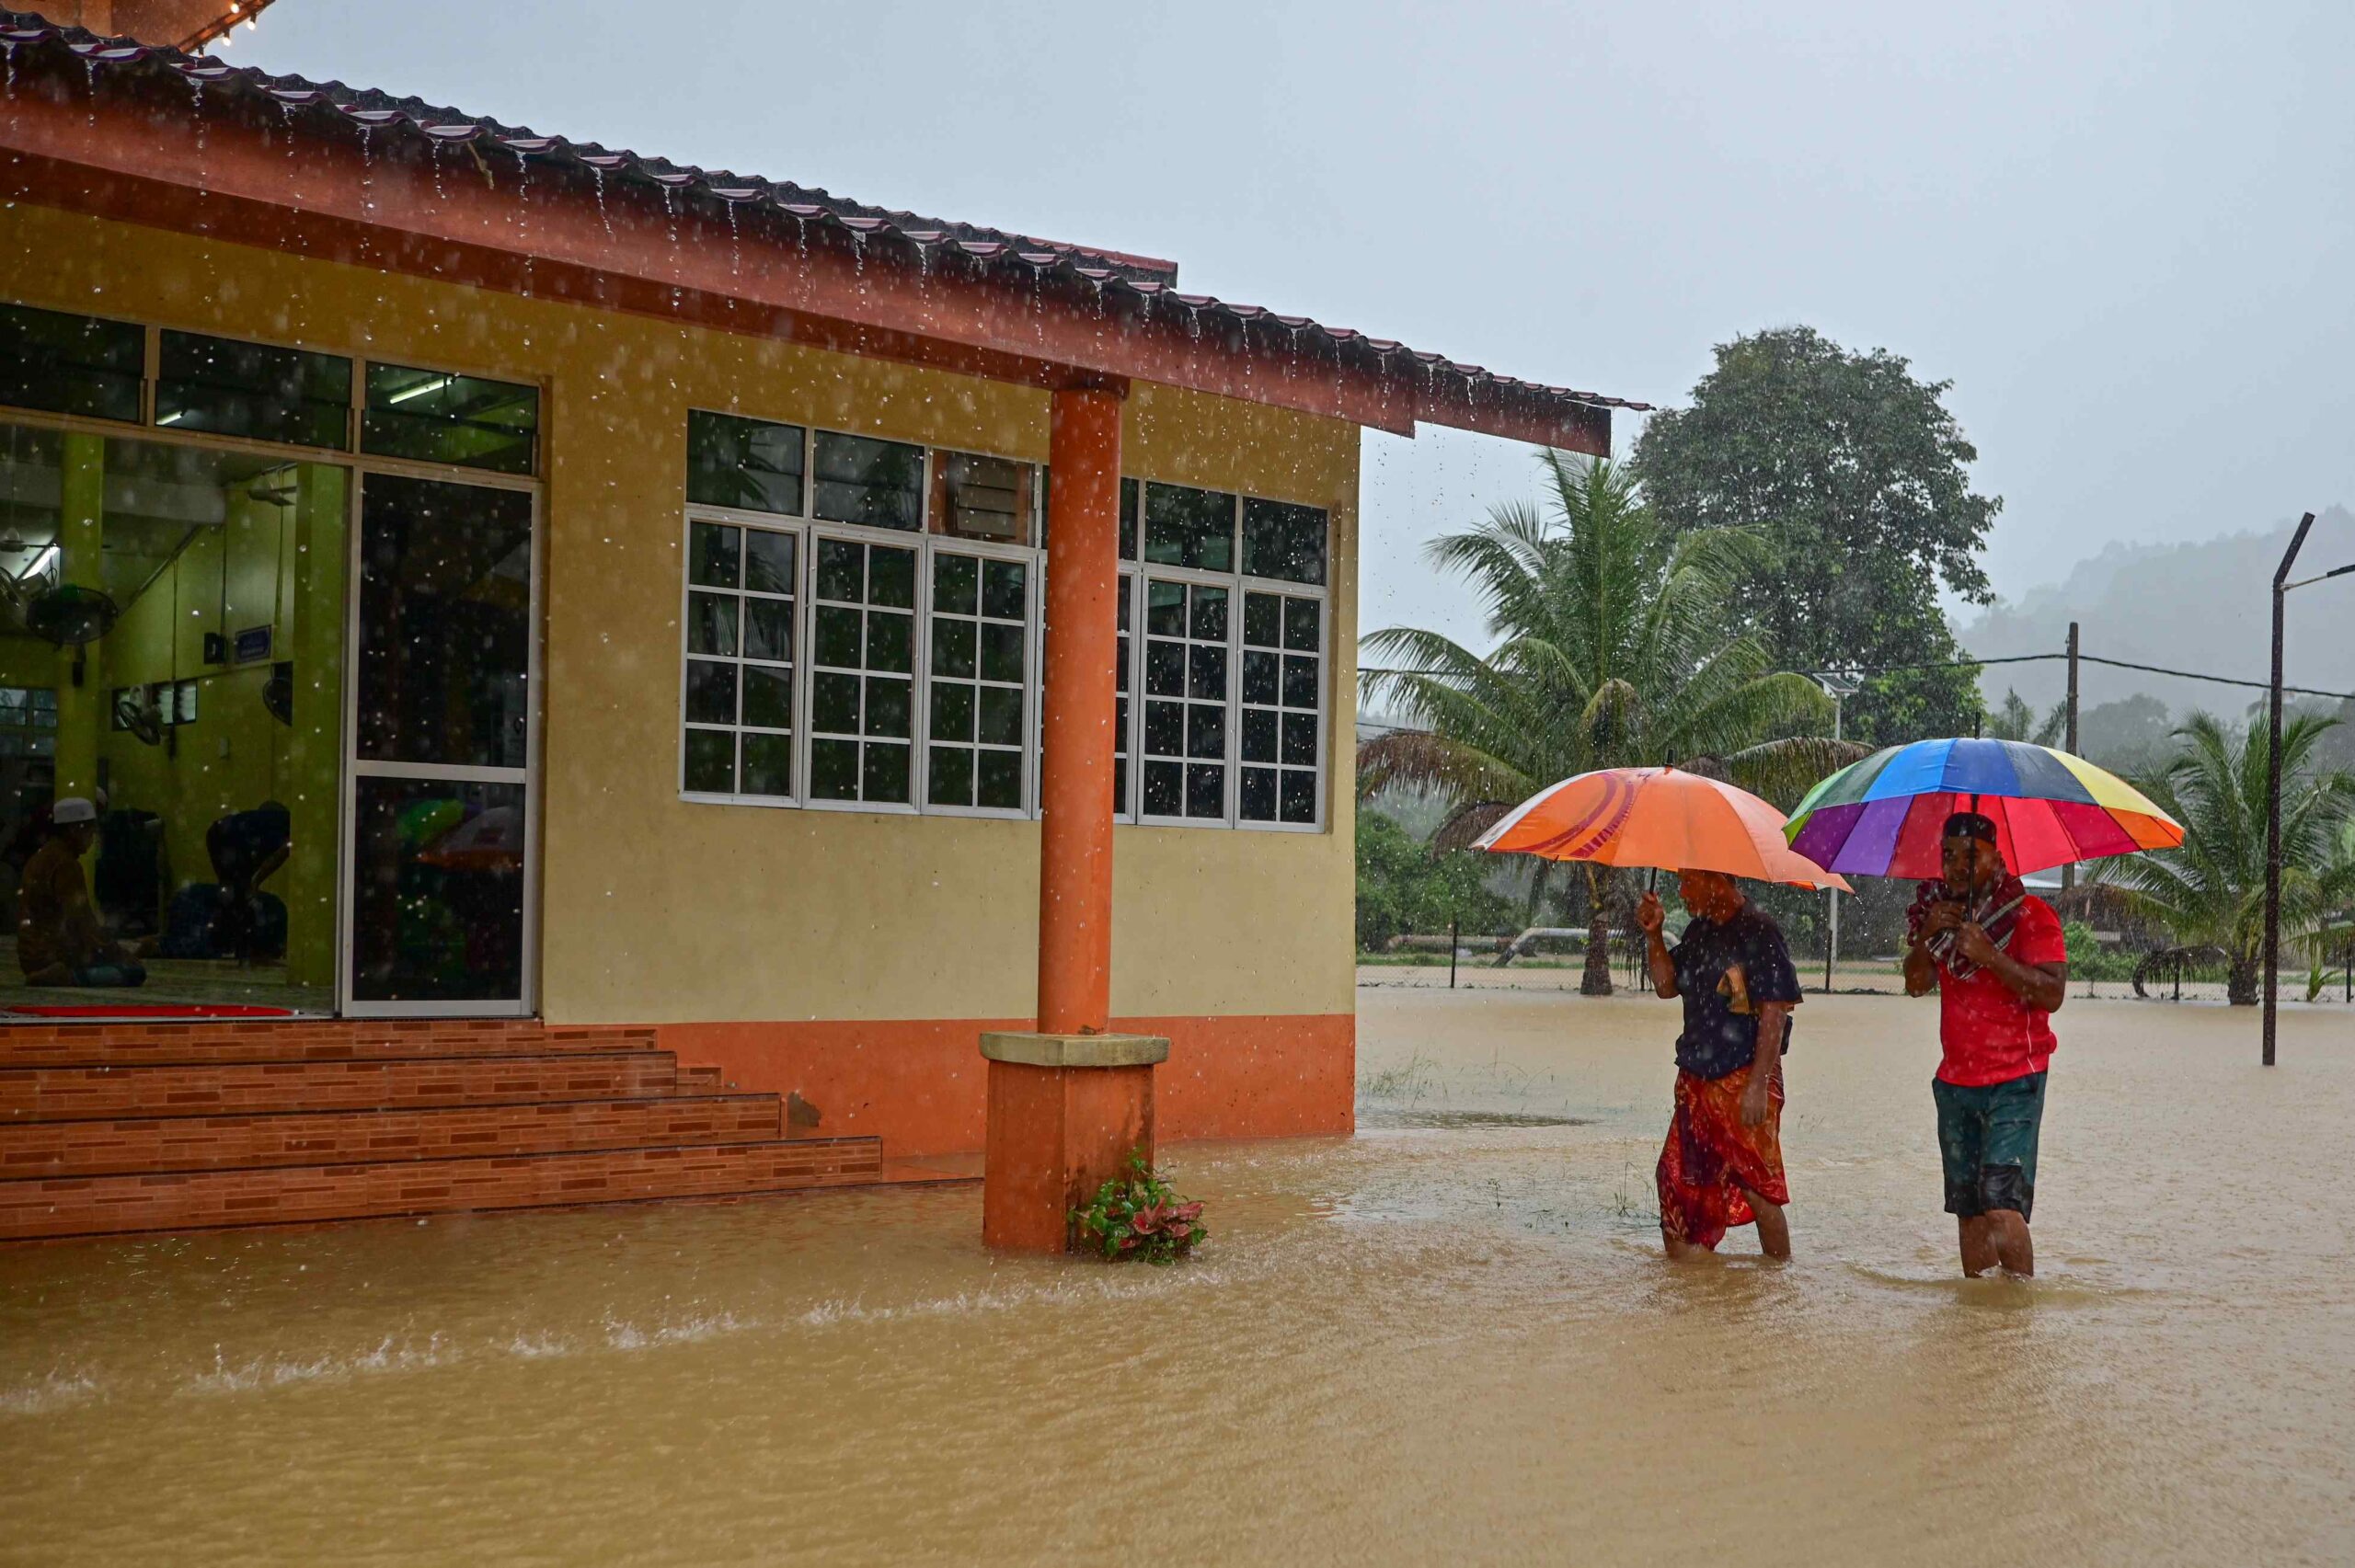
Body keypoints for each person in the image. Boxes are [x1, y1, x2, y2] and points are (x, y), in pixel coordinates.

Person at [1903, 811, 2068, 1278]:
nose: (1956, 867)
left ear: (1996, 858)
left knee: (2001, 1205)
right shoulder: (1939, 916)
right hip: (1955, 1082)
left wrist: (1989, 956)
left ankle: (2017, 1311)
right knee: (1969, 1208)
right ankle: (1978, 1318)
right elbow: (1915, 984)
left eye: (1970, 856)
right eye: (1948, 855)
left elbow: (2051, 993)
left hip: (2016, 1078)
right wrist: (1928, 934)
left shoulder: (2030, 916)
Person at [1636, 868, 1802, 1260]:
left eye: (1688, 882)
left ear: (1715, 880)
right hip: (1697, 1079)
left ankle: (1778, 1283)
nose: (1682, 892)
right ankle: (1691, 1282)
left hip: (1744, 1076)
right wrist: (1654, 934)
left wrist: (1758, 1084)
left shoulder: (1760, 932)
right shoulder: (1699, 931)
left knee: (1757, 1186)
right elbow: (1664, 986)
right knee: (1675, 1179)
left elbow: (1775, 1010)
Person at [16, 796, 145, 988]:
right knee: (134, 973)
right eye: (90, 829)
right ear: (74, 830)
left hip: (31, 956)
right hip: (55, 955)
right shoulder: (66, 865)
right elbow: (83, 924)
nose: (93, 836)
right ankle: (65, 977)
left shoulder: (40, 857)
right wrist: (119, 954)